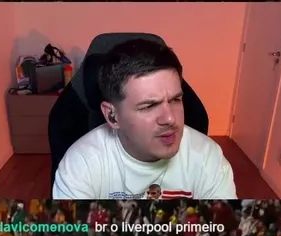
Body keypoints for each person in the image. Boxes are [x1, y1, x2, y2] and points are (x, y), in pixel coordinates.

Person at [53, 39, 236, 200]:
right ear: (112, 116)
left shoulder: (207, 157)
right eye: (149, 106)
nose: (170, 118)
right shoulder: (81, 165)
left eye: (175, 100)